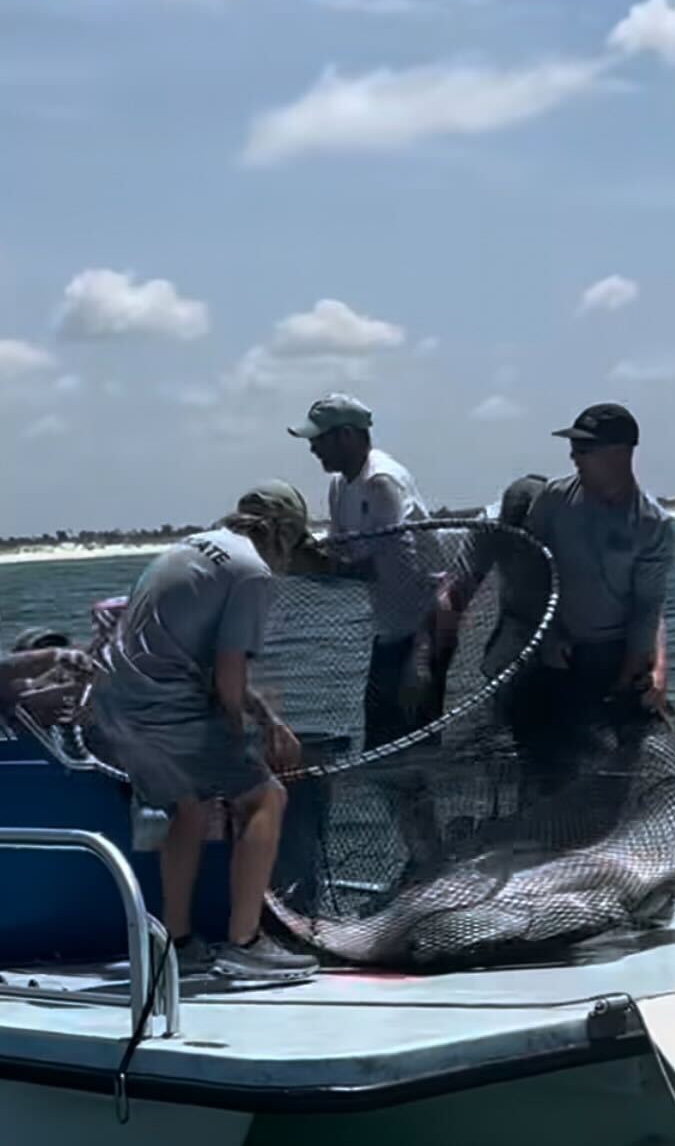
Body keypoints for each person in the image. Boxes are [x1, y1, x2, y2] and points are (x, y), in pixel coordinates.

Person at [90, 482, 317, 980]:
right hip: (164, 707)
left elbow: (194, 658)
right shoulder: (252, 572)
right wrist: (238, 742)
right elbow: (229, 672)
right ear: (282, 535)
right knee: (264, 798)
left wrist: (267, 718)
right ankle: (246, 943)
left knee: (187, 808)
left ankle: (176, 942)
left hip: (112, 702)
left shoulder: (190, 547)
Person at [506, 403, 673, 780]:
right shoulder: (553, 499)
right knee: (548, 768)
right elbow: (526, 572)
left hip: (613, 654)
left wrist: (633, 672)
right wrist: (547, 633)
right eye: (573, 448)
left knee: (618, 773)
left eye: (584, 449)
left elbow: (648, 606)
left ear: (620, 454)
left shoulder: (653, 524)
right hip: (556, 652)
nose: (573, 457)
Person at [287, 394, 452, 749]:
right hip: (389, 629)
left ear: (347, 435)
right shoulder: (340, 484)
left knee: (412, 740)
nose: (313, 448)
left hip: (422, 628)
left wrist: (327, 569)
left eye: (319, 439)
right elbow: (340, 547)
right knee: (381, 741)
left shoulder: (382, 481)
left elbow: (400, 568)